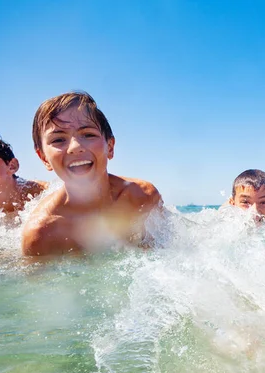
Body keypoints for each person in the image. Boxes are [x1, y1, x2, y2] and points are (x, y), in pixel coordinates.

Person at [21, 91, 162, 256]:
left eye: (88, 134)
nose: (75, 147)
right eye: (58, 140)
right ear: (44, 158)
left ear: (110, 147)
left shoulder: (141, 197)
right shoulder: (42, 233)